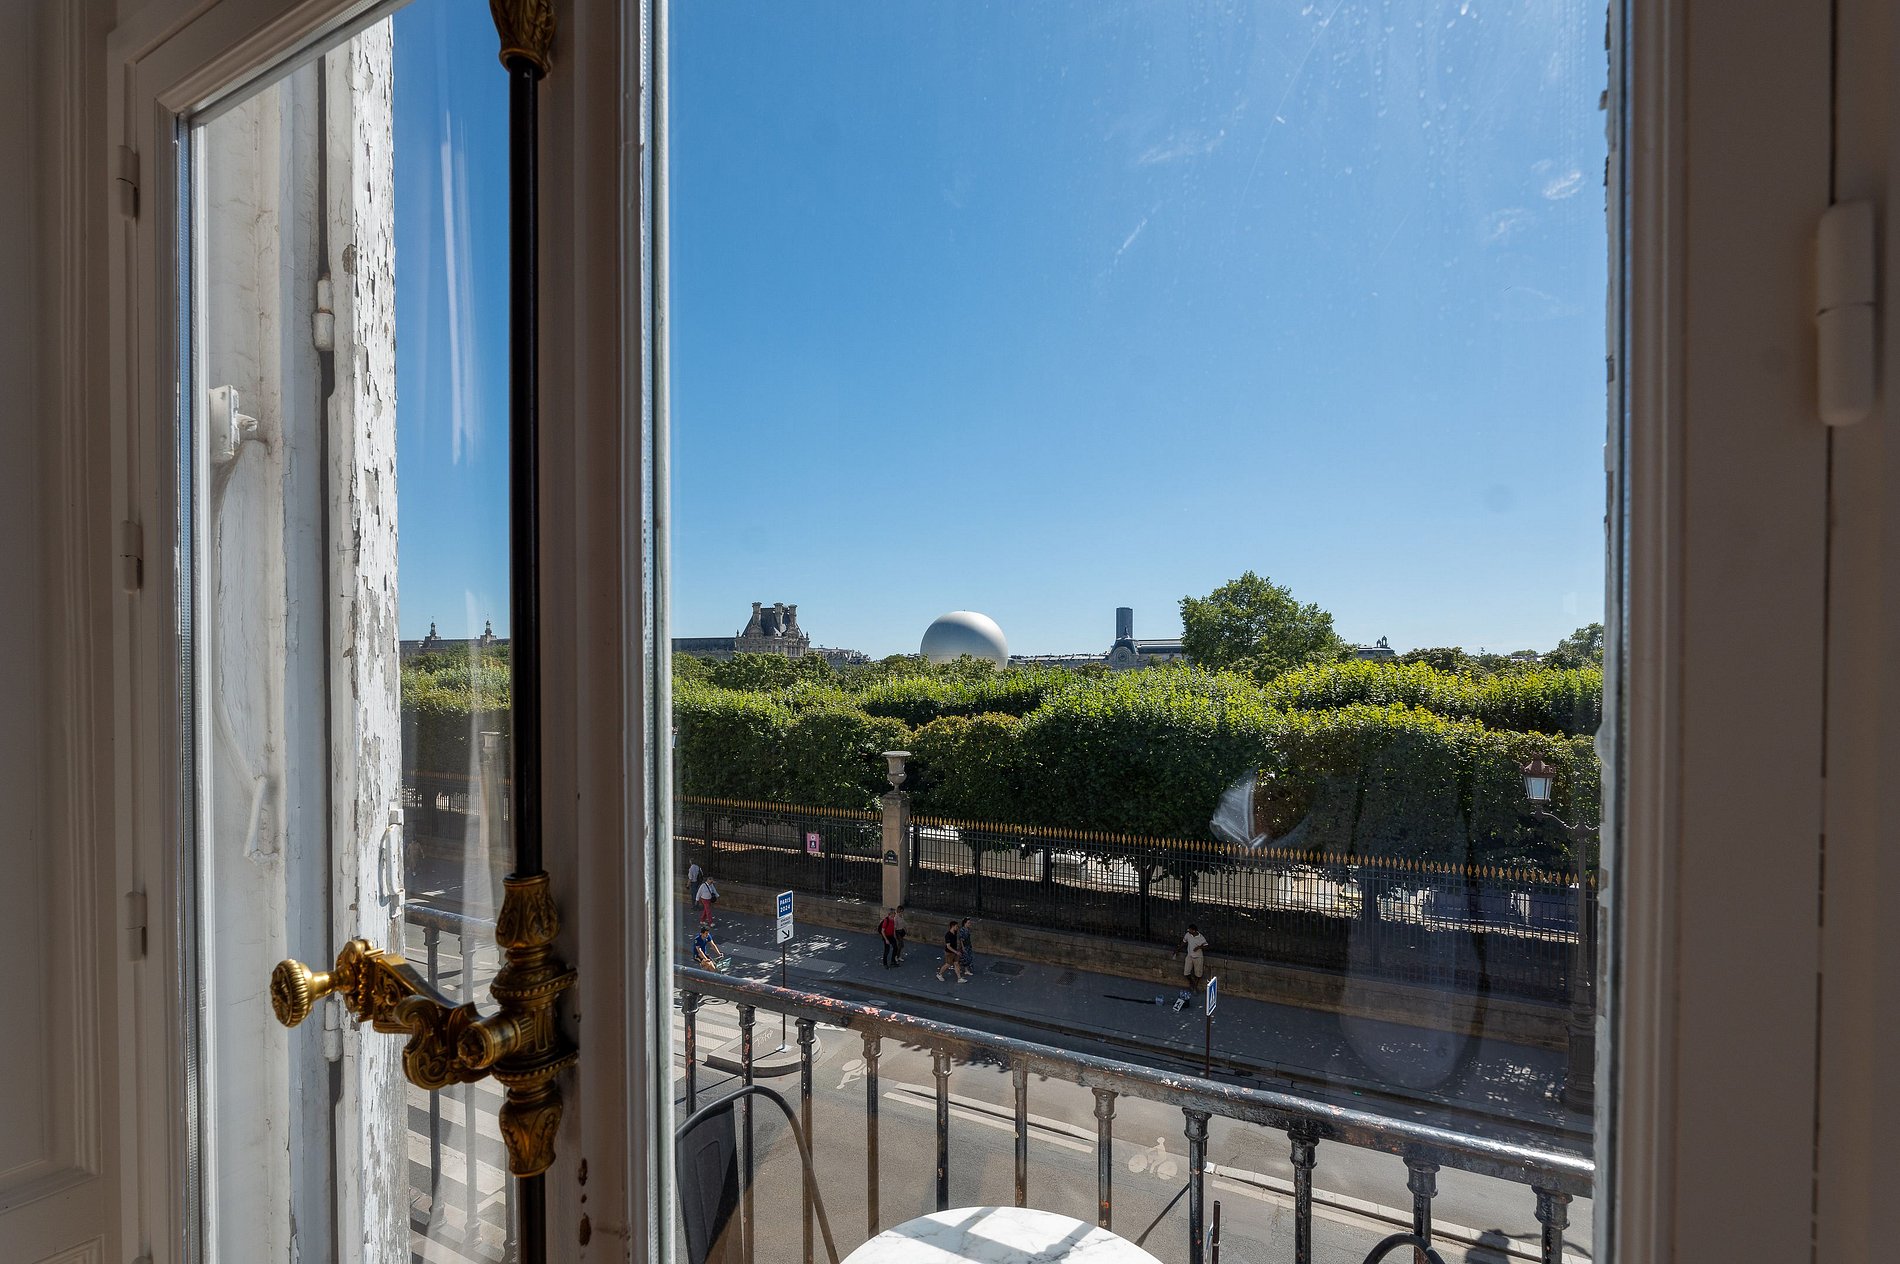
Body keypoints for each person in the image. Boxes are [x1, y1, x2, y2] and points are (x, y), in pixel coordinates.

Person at [1178, 923, 1209, 989]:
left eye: (1190, 930)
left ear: (1194, 931)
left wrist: (1199, 947)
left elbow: (1206, 946)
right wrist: (1178, 949)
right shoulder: (1188, 935)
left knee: (1198, 974)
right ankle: (1192, 983)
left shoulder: (1201, 937)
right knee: (1186, 972)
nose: (1188, 930)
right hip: (1189, 956)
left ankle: (1195, 986)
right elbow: (1184, 942)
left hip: (1198, 957)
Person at [955, 917, 975, 982]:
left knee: (967, 957)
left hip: (968, 945)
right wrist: (963, 947)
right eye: (968, 923)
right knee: (965, 957)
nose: (969, 924)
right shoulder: (962, 930)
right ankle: (965, 969)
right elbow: (961, 939)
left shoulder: (967, 929)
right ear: (965, 923)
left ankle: (963, 969)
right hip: (965, 946)